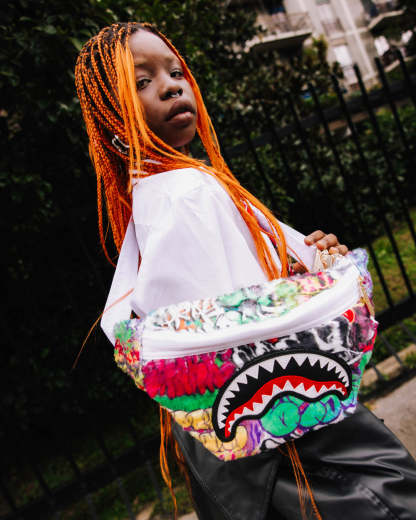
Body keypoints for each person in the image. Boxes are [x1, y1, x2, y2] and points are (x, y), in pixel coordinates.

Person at [75, 22, 416, 520]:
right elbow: (243, 335)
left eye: (175, 72)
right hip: (286, 429)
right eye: (142, 81)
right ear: (110, 115)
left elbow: (229, 302)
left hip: (235, 447)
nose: (171, 86)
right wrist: (314, 290)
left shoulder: (156, 193)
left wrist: (300, 271)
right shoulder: (185, 192)